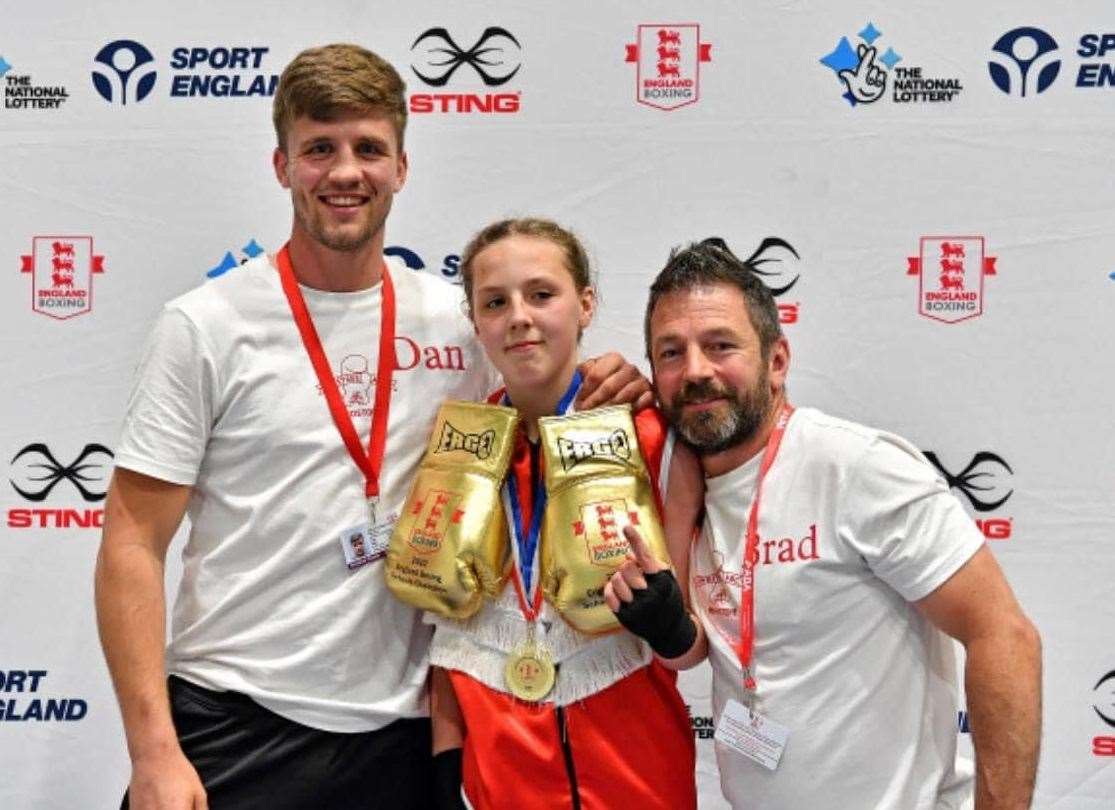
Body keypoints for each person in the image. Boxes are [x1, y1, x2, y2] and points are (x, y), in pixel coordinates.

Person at [93, 44, 648, 810]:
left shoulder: (457, 321)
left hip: (399, 737)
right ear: (282, 165)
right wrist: (153, 752)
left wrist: (609, 377)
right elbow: (131, 541)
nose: (345, 172)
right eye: (319, 149)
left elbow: (543, 389)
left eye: (368, 149)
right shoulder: (205, 324)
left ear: (401, 166)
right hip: (232, 719)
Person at [608, 238, 1043, 809]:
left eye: (720, 346)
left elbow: (1004, 636)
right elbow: (694, 646)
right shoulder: (679, 486)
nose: (695, 372)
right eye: (670, 353)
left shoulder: (856, 466)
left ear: (777, 361)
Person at [421, 218, 705, 809]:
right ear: (475, 322)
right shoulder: (458, 447)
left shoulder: (652, 438)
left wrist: (668, 622)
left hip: (638, 784)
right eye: (495, 302)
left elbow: (691, 642)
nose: (519, 315)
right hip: (497, 790)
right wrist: (446, 769)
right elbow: (447, 633)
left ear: (586, 303)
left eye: (541, 294)